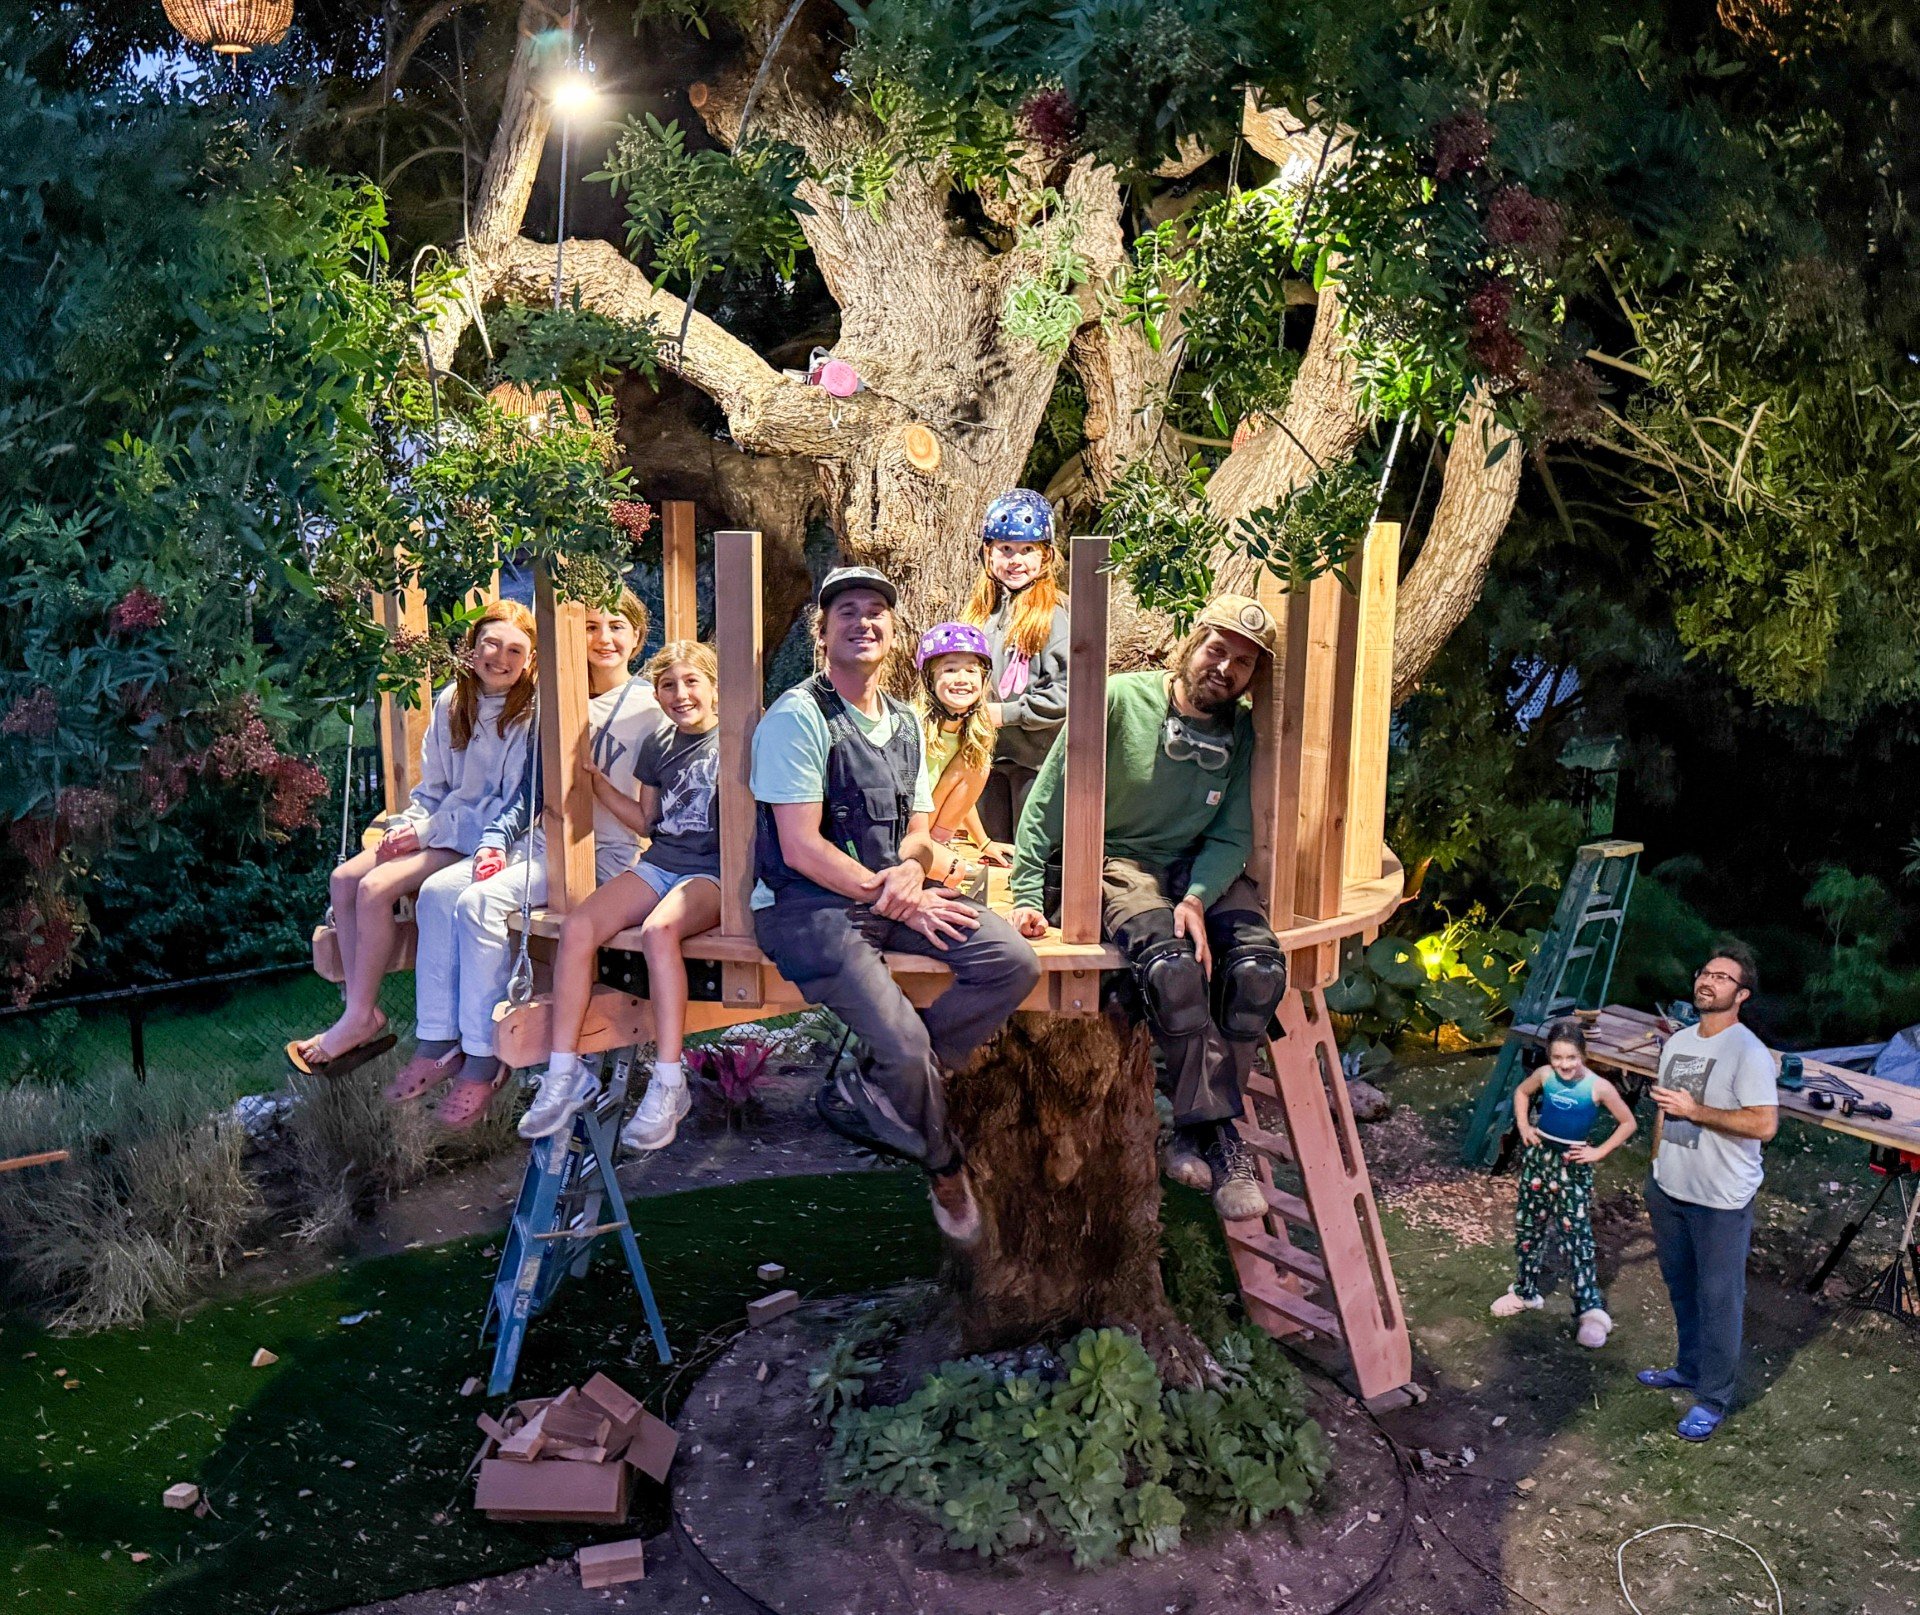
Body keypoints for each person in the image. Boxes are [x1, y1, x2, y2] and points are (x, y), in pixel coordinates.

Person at [752, 566, 1041, 1243]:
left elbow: (916, 835)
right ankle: (943, 1163)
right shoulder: (798, 715)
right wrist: (900, 897)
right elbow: (800, 848)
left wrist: (916, 878)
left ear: (892, 631)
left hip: (885, 894)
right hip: (806, 908)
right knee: (908, 1048)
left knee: (1011, 960)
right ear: (822, 632)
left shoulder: (907, 720)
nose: (864, 621)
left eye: (877, 610)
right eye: (846, 610)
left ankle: (879, 1080)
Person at [1008, 595, 1291, 1222]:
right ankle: (1223, 1139)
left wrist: (1195, 897)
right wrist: (1027, 892)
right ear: (1192, 642)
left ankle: (1195, 1131)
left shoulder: (1240, 731)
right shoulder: (1120, 698)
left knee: (1260, 971)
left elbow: (1234, 832)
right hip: (1116, 859)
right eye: (1218, 649)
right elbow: (1046, 797)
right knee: (1170, 968)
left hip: (1195, 866)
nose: (1226, 668)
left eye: (1243, 664)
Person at [389, 590, 661, 1129]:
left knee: (482, 904)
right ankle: (440, 1039)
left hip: (602, 855)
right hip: (545, 843)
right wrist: (494, 840)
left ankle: (485, 1061)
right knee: (442, 893)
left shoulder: (653, 706)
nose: (604, 638)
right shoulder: (557, 701)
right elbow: (526, 793)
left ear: (637, 636)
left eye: (617, 626)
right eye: (590, 627)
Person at [288, 601, 537, 1077]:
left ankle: (360, 1016)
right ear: (471, 649)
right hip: (443, 825)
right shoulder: (451, 703)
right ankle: (358, 1008)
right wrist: (410, 824)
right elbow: (434, 790)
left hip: (484, 838)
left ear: (529, 660)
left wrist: (427, 830)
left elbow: (511, 806)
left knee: (375, 888)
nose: (500, 658)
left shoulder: (528, 714)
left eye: (515, 650)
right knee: (345, 878)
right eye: (490, 644)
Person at [517, 640, 723, 1148]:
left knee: (658, 932)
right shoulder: (659, 742)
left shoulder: (739, 735)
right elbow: (649, 823)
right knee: (580, 927)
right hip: (663, 862)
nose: (680, 694)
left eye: (691, 681)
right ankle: (565, 1073)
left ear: (715, 687)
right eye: (668, 685)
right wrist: (597, 784)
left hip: (717, 872)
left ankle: (669, 1081)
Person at [1638, 942, 1778, 1442]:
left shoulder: (1748, 1052)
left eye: (1722, 978)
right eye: (1705, 973)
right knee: (1682, 1287)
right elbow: (1662, 1108)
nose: (1708, 981)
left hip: (1721, 1201)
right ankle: (1689, 1368)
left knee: (1719, 1298)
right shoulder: (1678, 1042)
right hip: (1671, 1189)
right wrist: (1655, 1166)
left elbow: (1764, 1124)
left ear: (1740, 995)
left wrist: (1698, 1112)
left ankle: (1713, 1398)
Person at [1490, 1019, 1636, 1348]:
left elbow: (1627, 1122)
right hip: (1540, 1159)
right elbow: (1521, 1093)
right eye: (1557, 1057)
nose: (1564, 1065)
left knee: (1576, 1235)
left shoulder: (1599, 1087)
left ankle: (1590, 1309)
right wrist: (1525, 1126)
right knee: (1530, 1227)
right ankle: (1525, 1292)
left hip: (1573, 1165)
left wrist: (1598, 1151)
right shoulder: (1544, 1076)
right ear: (1549, 1056)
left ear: (1583, 1055)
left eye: (1571, 1058)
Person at [961, 489, 1069, 854]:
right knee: (991, 855)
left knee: (1032, 859)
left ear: (1047, 555)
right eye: (1005, 549)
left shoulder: (1054, 616)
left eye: (1027, 550)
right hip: (986, 760)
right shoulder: (982, 615)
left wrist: (1006, 713)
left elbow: (1068, 692)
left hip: (1035, 762)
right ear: (988, 553)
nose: (1015, 560)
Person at [914, 623, 999, 873]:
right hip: (905, 829)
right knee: (953, 872)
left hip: (930, 830)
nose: (962, 680)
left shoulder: (970, 733)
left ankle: (937, 845)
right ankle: (932, 849)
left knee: (977, 762)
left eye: (972, 671)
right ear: (929, 678)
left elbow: (960, 791)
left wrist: (983, 842)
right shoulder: (912, 727)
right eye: (950, 670)